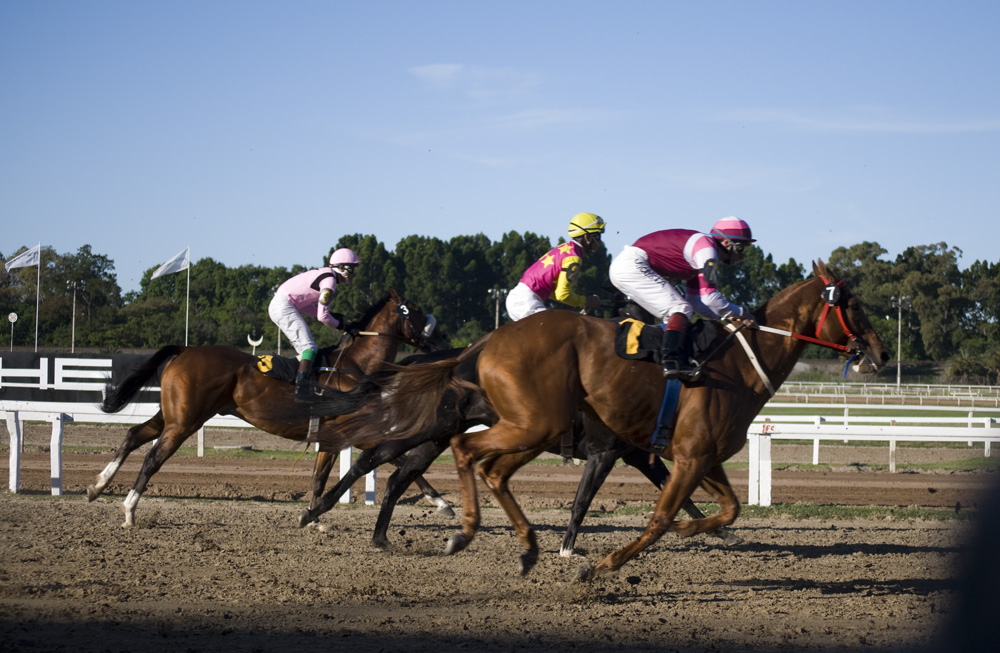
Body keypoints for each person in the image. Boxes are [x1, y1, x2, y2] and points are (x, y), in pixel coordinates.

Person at [609, 216, 757, 379]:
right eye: (742, 248)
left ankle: (665, 358)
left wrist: (728, 317)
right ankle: (672, 361)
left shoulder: (698, 257)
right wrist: (742, 313)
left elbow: (697, 303)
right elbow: (710, 298)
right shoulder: (707, 251)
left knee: (682, 309)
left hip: (628, 265)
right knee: (679, 309)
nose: (742, 256)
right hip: (632, 265)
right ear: (727, 243)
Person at [268, 247, 360, 401]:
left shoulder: (327, 275)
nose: (353, 274)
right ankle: (302, 391)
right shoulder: (330, 282)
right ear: (342, 267)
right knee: (309, 348)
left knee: (307, 350)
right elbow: (322, 317)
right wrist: (341, 326)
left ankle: (296, 382)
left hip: (283, 304)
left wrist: (333, 316)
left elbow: (305, 305)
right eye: (352, 269)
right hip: (283, 305)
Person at [505, 212, 606, 322]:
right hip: (526, 302)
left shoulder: (565, 248)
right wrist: (586, 301)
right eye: (597, 236)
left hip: (520, 298)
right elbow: (562, 295)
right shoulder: (574, 258)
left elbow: (554, 292)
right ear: (587, 237)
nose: (600, 242)